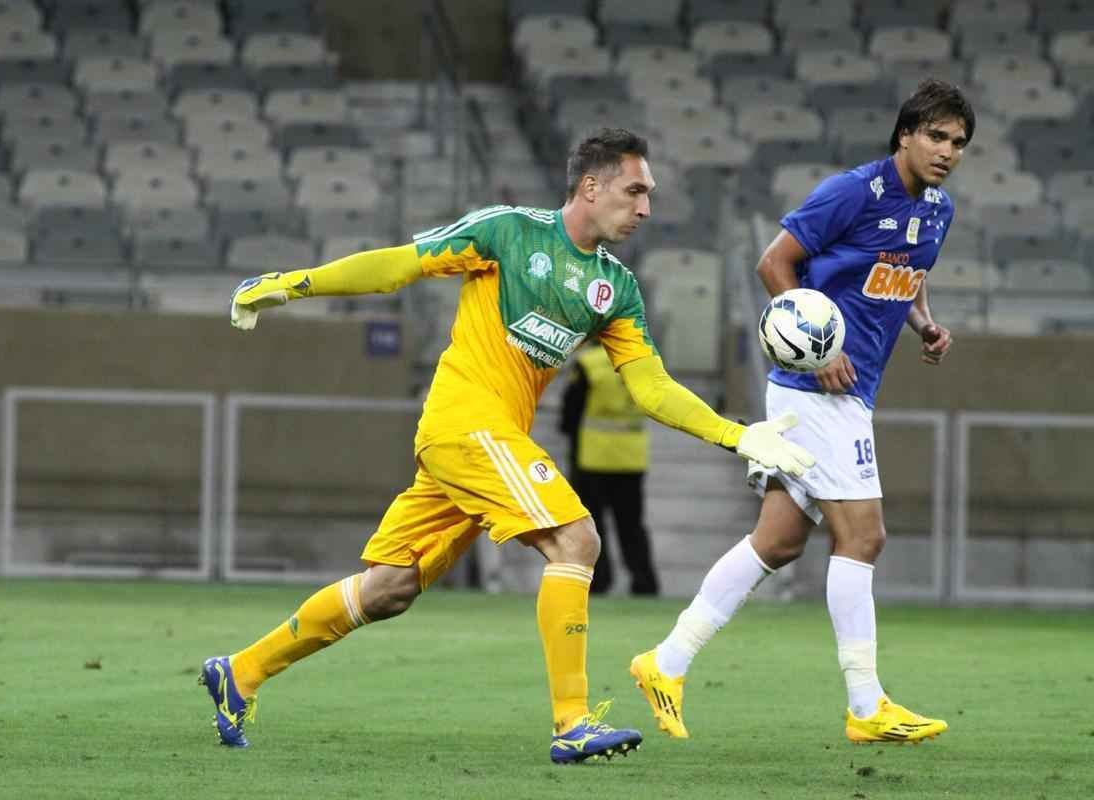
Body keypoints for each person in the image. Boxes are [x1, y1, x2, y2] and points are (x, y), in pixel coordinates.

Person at [202, 128, 813, 764]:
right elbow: (396, 265)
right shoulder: (508, 233)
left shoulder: (614, 288)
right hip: (464, 423)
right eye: (635, 191)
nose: (645, 209)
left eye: (649, 195)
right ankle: (572, 722)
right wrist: (293, 284)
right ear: (590, 186)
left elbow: (651, 388)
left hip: (488, 443)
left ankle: (239, 672)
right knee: (577, 540)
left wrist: (738, 434)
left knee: (391, 588)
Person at [631, 79, 973, 745]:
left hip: (854, 390)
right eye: (936, 135)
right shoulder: (853, 191)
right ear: (904, 134)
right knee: (864, 538)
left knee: (779, 541)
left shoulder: (937, 210)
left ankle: (663, 664)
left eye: (958, 142)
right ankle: (866, 705)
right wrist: (817, 357)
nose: (947, 150)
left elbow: (908, 270)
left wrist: (926, 324)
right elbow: (774, 264)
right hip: (817, 388)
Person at [559, 342, 658, 595]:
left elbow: (570, 415)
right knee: (632, 525)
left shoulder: (588, 363)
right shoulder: (642, 359)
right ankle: (644, 582)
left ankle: (599, 580)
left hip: (593, 457)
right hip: (631, 457)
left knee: (594, 524)